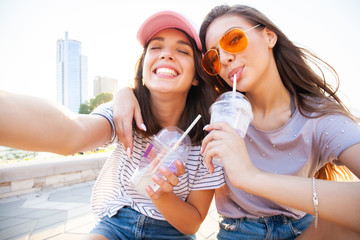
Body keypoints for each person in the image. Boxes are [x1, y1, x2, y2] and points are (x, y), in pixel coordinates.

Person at [110, 4, 360, 239]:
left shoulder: (318, 118)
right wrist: (125, 93)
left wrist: (250, 177)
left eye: (234, 40)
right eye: (213, 57)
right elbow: (165, 95)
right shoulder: (218, 112)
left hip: (304, 230)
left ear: (269, 37)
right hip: (239, 231)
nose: (226, 58)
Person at [0, 10, 225, 240]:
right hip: (118, 223)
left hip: (174, 232)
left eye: (182, 50)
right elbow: (73, 132)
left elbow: (193, 223)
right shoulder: (124, 114)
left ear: (197, 76)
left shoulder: (207, 139)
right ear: (144, 68)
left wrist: (161, 194)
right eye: (155, 47)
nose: (166, 55)